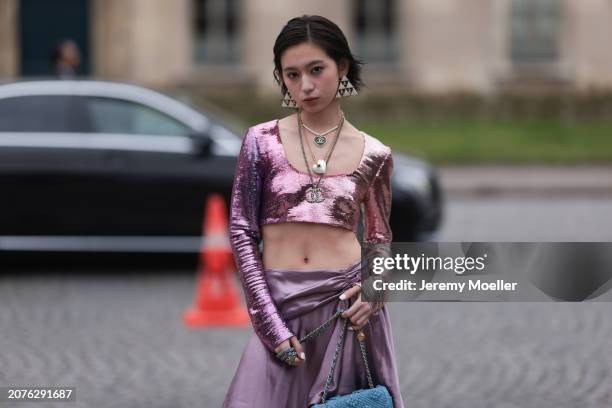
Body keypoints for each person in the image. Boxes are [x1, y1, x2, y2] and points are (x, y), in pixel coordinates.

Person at [222, 15, 404, 408]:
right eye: (291, 74)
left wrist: (375, 291)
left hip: (345, 309)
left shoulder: (375, 154)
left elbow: (379, 239)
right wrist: (267, 321)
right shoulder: (261, 141)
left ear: (342, 67)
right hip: (279, 301)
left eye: (316, 69)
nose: (305, 85)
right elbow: (240, 230)